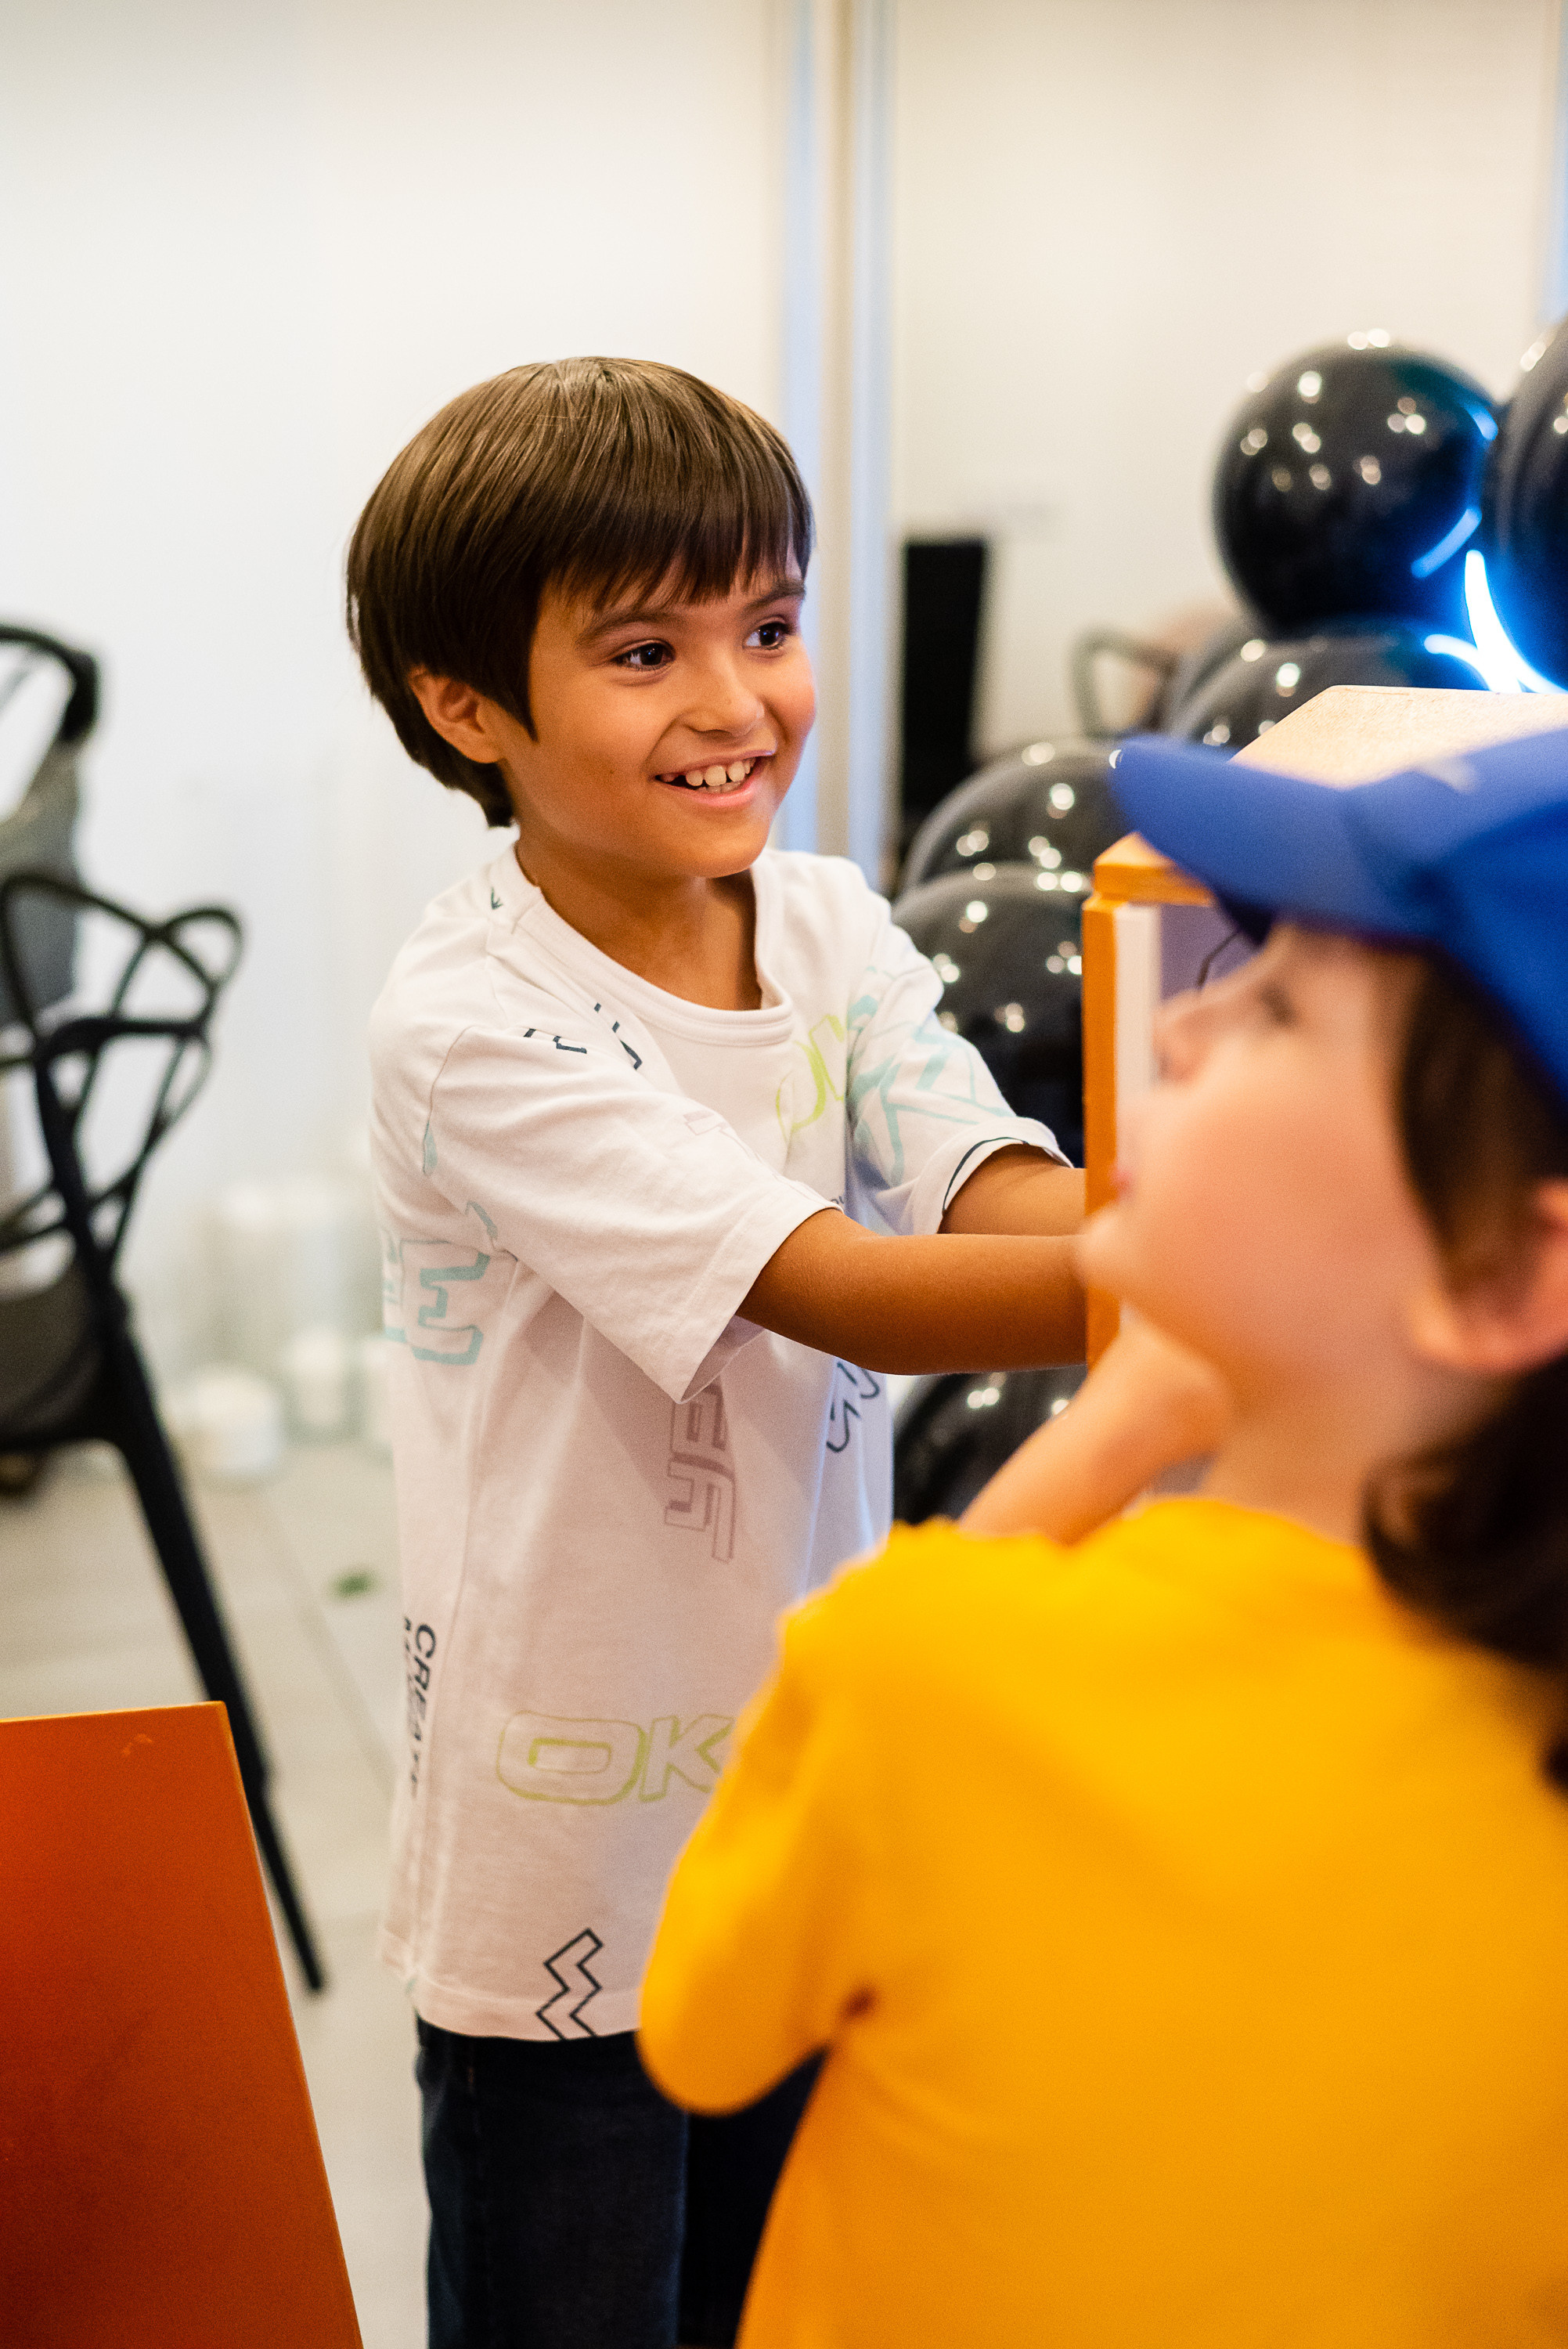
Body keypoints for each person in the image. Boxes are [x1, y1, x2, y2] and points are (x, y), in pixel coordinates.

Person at [640, 723, 1568, 2346]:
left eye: (1279, 1007)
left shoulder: (935, 1664)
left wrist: (1114, 1430)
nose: (1191, 1023)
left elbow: (704, 2031)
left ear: (1504, 1277)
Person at [346, 355, 1087, 2349]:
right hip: (565, 1862)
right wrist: (1239, 1275)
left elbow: (980, 1184)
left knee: (785, 2299)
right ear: (468, 705)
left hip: (794, 1806)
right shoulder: (476, 1024)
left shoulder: (831, 924)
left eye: (768, 625)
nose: (735, 701)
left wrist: (1179, 1227)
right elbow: (833, 1281)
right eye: (646, 649)